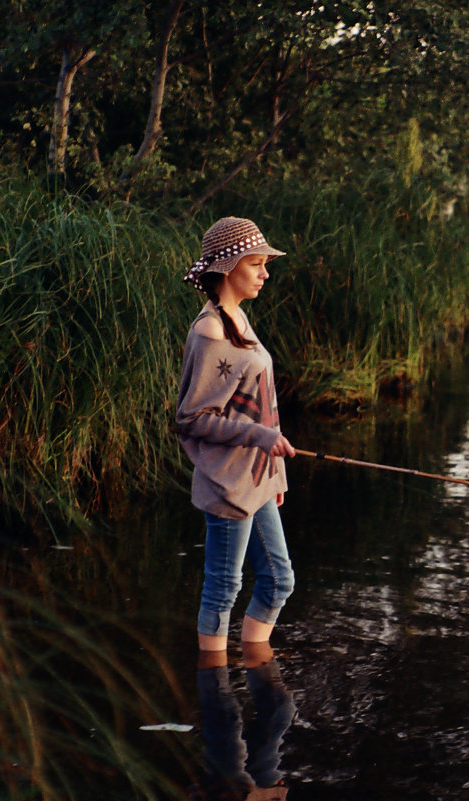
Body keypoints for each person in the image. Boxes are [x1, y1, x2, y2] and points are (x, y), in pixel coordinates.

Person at [176, 216, 296, 653]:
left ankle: (256, 666)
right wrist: (262, 442)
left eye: (266, 264)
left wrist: (273, 473)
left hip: (256, 478)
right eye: (257, 264)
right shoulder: (210, 331)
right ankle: (213, 684)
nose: (265, 274)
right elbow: (192, 418)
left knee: (279, 581)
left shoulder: (238, 318)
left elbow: (261, 405)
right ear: (228, 267)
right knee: (223, 588)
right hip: (228, 480)